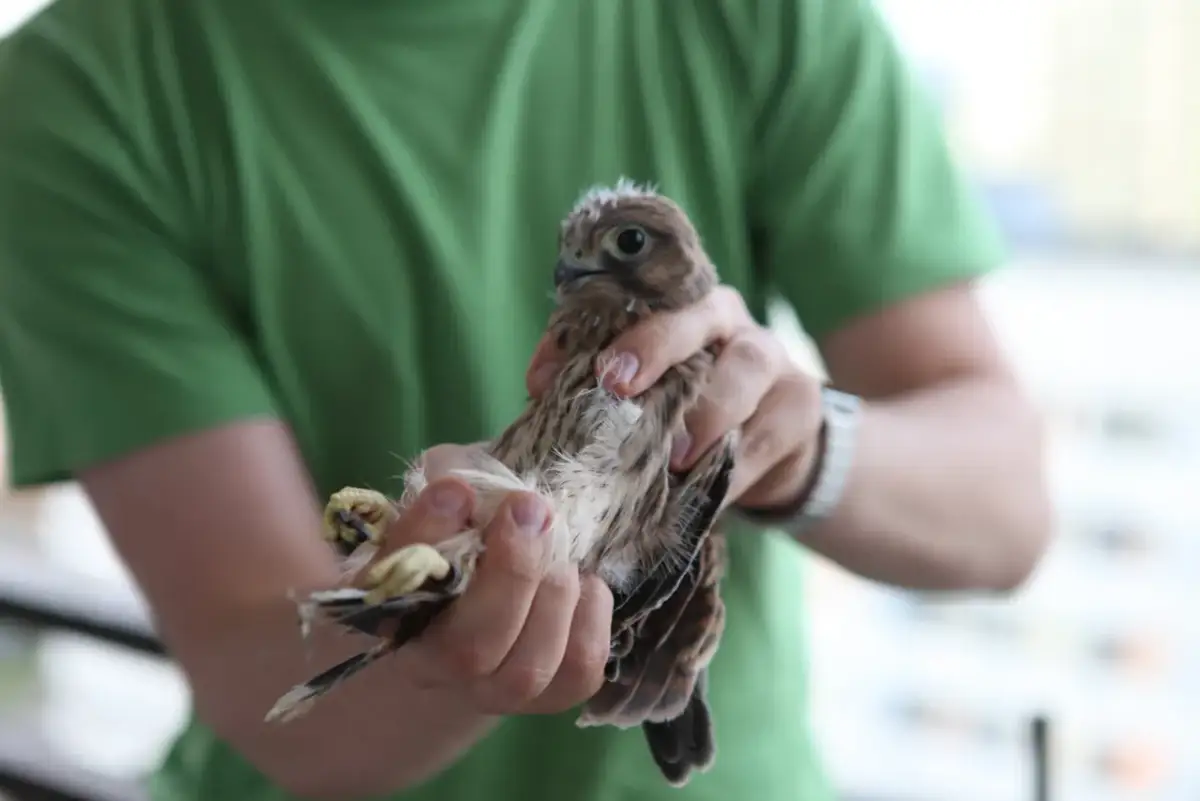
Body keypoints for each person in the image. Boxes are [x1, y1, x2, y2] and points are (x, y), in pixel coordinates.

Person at [0, 0, 1052, 799]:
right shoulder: (85, 92)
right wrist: (439, 629)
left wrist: (798, 442)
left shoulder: (760, 18)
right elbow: (258, 656)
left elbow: (1006, 507)